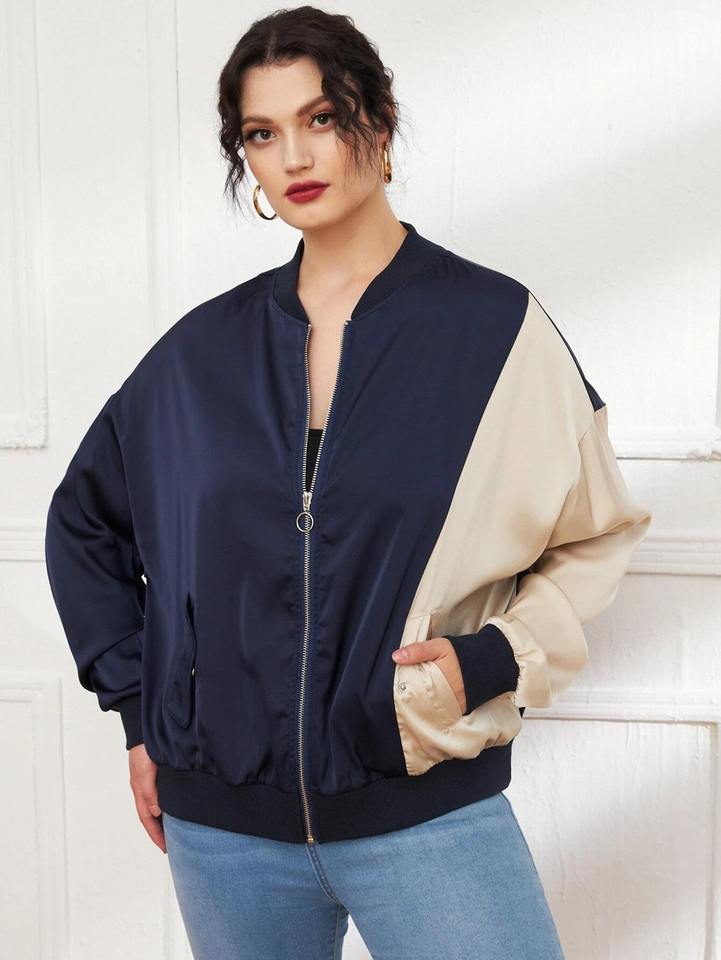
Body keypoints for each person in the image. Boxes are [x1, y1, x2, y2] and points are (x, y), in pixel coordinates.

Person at [43, 6, 653, 959]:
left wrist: (492, 658)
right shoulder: (198, 356)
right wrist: (140, 713)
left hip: (425, 815)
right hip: (224, 835)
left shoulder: (493, 332)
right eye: (261, 133)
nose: (293, 155)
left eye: (320, 118)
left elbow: (596, 531)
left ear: (379, 119)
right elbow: (84, 523)